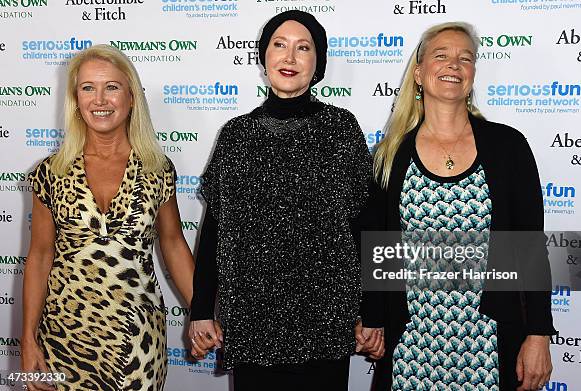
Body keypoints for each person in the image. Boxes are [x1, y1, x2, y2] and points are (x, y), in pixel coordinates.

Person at [189, 10, 383, 390]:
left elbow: (369, 226)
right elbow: (214, 231)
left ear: (318, 64)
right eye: (279, 45)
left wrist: (374, 312)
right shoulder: (236, 136)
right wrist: (200, 311)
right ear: (264, 58)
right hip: (253, 321)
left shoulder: (342, 130)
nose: (289, 58)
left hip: (326, 322)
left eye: (303, 48)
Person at [361, 22, 556, 390]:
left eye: (465, 58)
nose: (454, 64)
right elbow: (379, 251)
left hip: (488, 340)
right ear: (419, 73)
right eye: (442, 55)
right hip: (412, 344)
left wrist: (539, 335)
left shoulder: (508, 147)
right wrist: (372, 318)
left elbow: (530, 250)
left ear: (472, 74)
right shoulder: (390, 154)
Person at [22, 44, 195, 391]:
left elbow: (174, 244)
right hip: (63, 339)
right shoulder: (50, 172)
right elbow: (40, 256)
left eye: (111, 87)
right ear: (76, 99)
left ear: (131, 98)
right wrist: (27, 341)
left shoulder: (156, 170)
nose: (99, 99)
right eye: (88, 88)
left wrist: (204, 312)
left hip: (138, 342)